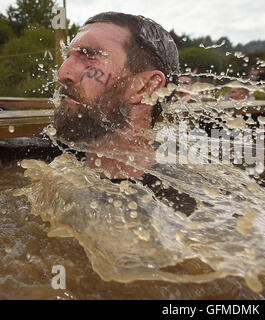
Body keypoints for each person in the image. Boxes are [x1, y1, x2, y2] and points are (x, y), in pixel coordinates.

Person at [54, 12, 196, 215]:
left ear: (145, 87)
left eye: (89, 56)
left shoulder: (180, 207)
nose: (63, 73)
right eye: (70, 56)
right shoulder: (48, 160)